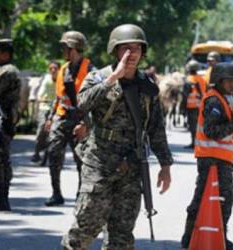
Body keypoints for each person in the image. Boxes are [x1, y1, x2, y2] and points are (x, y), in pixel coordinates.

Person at [61, 23, 173, 250]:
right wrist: (113, 78)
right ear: (115, 50)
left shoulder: (147, 87)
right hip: (100, 163)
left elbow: (156, 129)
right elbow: (81, 104)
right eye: (126, 49)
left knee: (121, 236)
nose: (132, 54)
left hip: (131, 166)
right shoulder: (99, 77)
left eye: (137, 49)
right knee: (84, 228)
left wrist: (165, 165)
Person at [181, 63, 233, 250]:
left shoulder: (223, 98)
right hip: (211, 159)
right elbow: (211, 131)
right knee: (210, 198)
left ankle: (219, 237)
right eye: (229, 81)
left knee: (222, 199)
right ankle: (190, 237)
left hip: (219, 159)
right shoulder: (214, 101)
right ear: (218, 81)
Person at [44, 31, 94, 206]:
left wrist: (85, 124)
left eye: (64, 46)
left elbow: (94, 101)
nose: (62, 50)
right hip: (62, 116)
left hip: (81, 119)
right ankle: (56, 193)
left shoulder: (90, 70)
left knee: (81, 159)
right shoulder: (63, 69)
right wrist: (50, 118)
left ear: (72, 48)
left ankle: (82, 195)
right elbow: (58, 97)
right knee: (53, 152)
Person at [0, 39, 21, 211]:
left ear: (6, 54)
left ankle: (1, 198)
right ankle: (1, 197)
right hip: (0, 120)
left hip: (0, 121)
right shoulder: (5, 70)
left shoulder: (7, 71)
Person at [31, 61, 60, 164]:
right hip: (45, 106)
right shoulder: (46, 80)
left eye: (55, 68)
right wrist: (40, 98)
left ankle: (54, 156)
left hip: (57, 108)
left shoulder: (62, 79)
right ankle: (36, 152)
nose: (53, 70)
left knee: (56, 132)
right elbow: (40, 94)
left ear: (59, 70)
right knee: (42, 127)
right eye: (51, 68)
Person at [183, 60, 206, 149]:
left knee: (192, 125)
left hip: (191, 107)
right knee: (199, 125)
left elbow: (185, 95)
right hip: (200, 105)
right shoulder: (201, 79)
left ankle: (194, 143)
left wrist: (183, 107)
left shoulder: (188, 79)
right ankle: (199, 142)